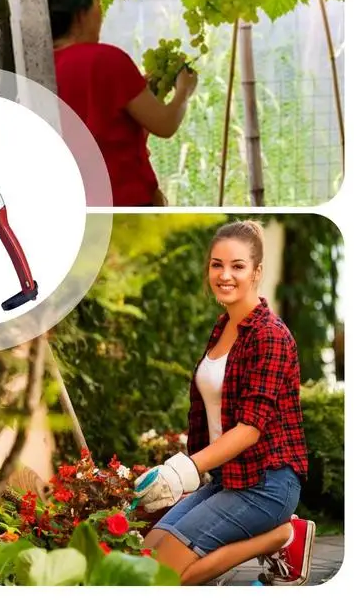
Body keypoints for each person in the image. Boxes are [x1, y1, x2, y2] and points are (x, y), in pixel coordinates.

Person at [133, 220, 314, 586]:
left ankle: (282, 535)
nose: (224, 275)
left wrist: (179, 471)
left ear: (257, 272)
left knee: (158, 581)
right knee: (143, 557)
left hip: (267, 484)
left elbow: (249, 429)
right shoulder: (223, 327)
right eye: (217, 264)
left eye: (238, 266)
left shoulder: (271, 336)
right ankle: (252, 544)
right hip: (227, 479)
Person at [46, 0, 197, 206]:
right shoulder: (107, 60)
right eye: (98, 4)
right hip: (127, 202)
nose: (102, 14)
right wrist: (184, 91)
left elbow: (112, 132)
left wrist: (147, 95)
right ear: (80, 13)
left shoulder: (41, 68)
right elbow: (165, 125)